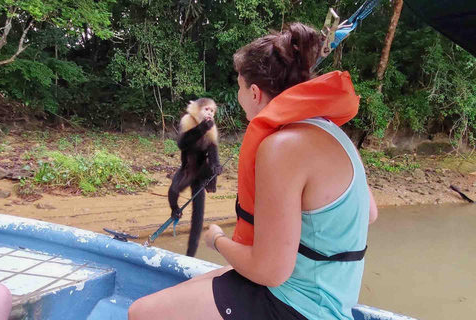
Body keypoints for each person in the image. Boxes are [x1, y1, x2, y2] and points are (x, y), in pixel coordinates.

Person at [128, 22, 378, 320]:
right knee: (199, 284)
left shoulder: (282, 146)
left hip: (296, 307)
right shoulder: (333, 133)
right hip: (330, 299)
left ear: (255, 92)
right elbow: (370, 213)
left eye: (239, 87)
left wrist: (218, 240)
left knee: (140, 312)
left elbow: (269, 271)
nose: (238, 95)